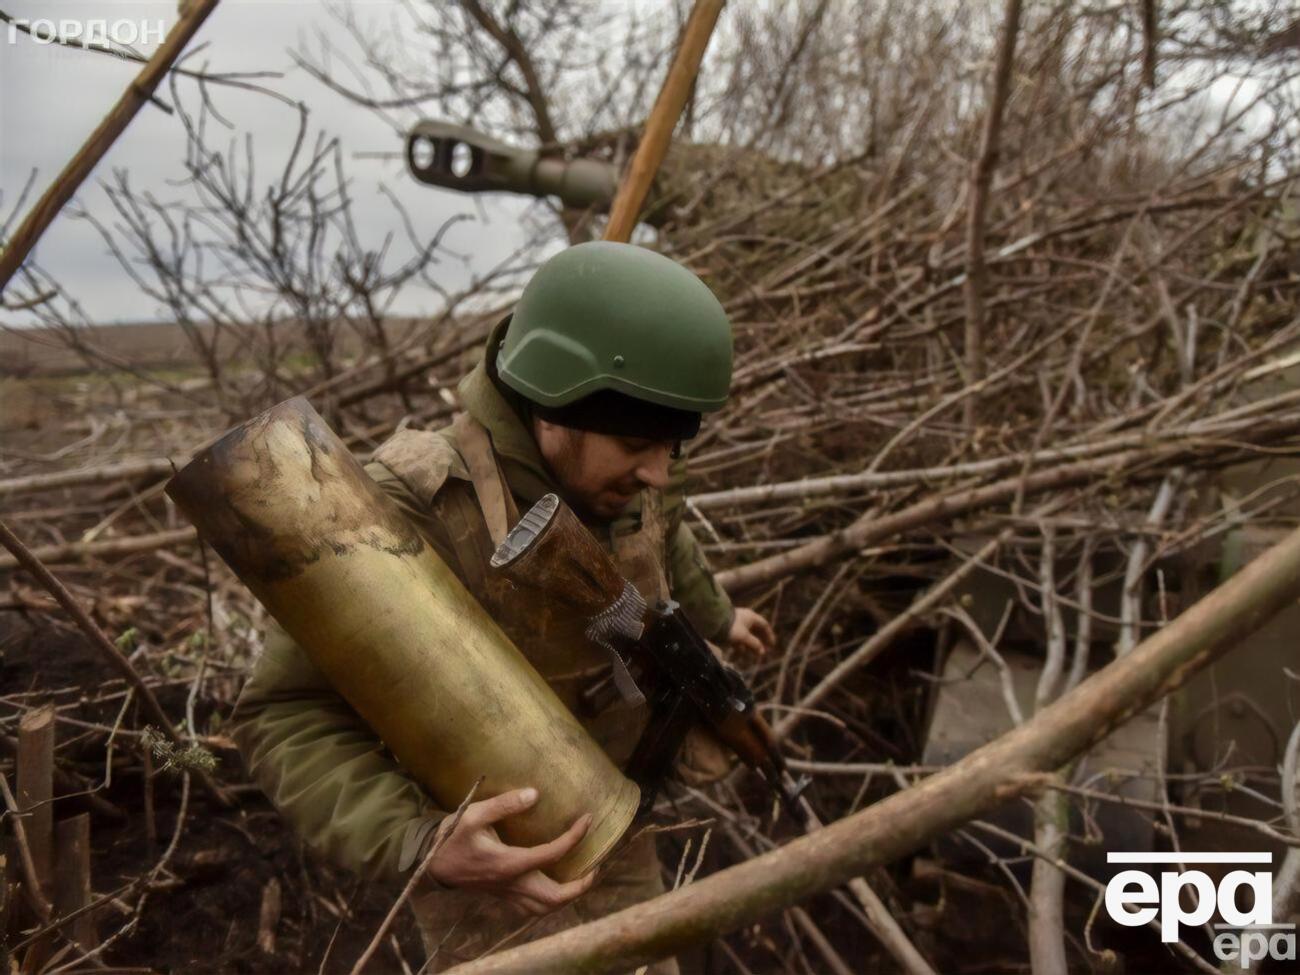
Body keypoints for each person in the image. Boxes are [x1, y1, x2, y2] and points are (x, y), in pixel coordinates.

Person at [230, 241, 775, 972]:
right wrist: (419, 839)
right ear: (555, 406)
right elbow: (284, 715)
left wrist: (715, 618)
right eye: (637, 443)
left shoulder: (641, 472)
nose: (657, 470)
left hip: (625, 826)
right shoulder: (402, 513)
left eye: (673, 446)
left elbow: (664, 541)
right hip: (490, 884)